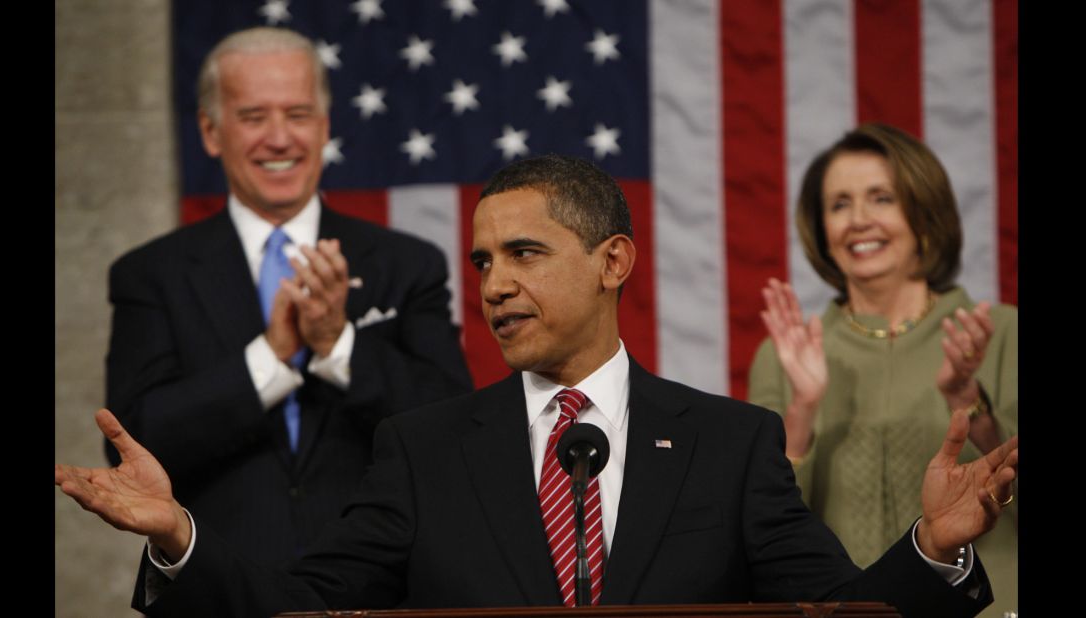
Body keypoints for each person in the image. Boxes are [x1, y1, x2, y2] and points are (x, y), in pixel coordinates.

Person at [59, 155, 1018, 617]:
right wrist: (181, 537)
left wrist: (929, 547)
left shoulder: (730, 446)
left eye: (524, 253)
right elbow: (296, 611)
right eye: (480, 263)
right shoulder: (423, 449)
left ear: (613, 262)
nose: (493, 286)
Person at [103, 27, 473, 568]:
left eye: (298, 115)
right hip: (219, 585)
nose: (280, 139)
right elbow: (129, 448)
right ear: (210, 131)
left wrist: (336, 344)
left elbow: (453, 430)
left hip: (382, 583)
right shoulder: (150, 274)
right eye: (253, 117)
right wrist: (270, 356)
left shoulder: (407, 263)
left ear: (324, 128)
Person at [747, 124, 1017, 616]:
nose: (859, 220)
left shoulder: (1002, 333)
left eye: (881, 198)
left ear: (925, 213)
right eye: (839, 204)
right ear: (821, 229)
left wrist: (969, 403)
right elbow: (764, 531)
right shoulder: (786, 354)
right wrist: (803, 411)